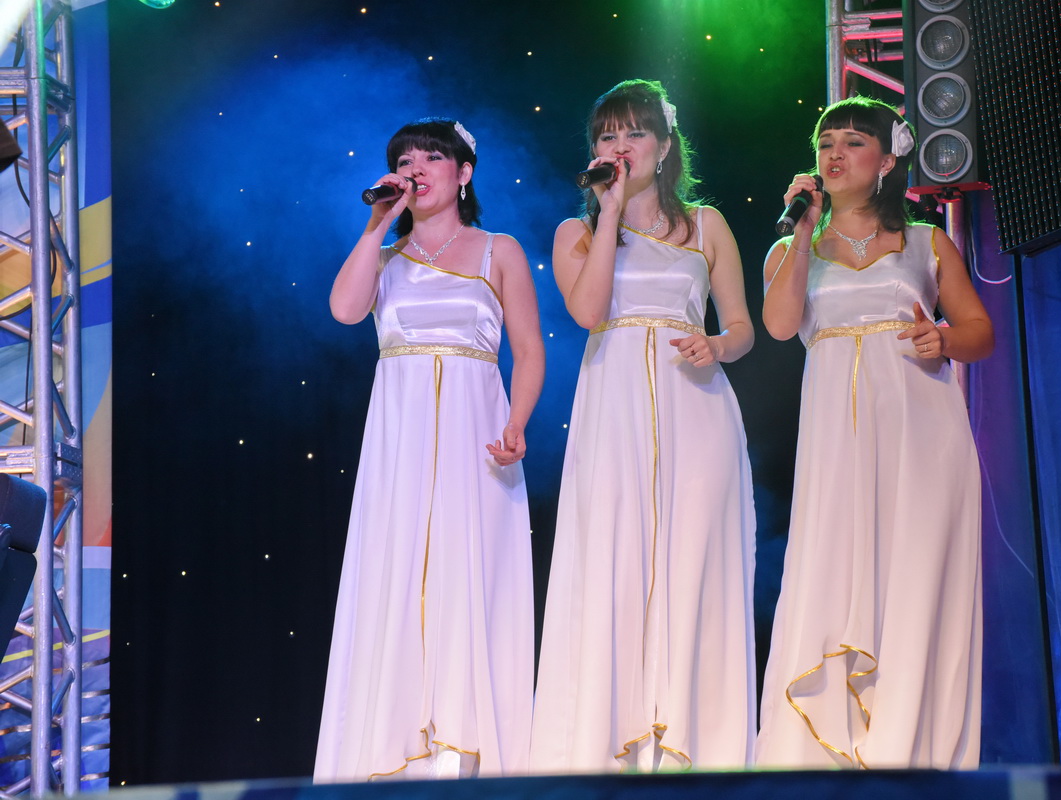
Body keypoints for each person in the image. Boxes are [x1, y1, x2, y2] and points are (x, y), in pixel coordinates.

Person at [756, 96, 992, 769]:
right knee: (832, 567)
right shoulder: (792, 248)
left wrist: (942, 338)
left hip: (923, 433)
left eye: (853, 142)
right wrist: (803, 230)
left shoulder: (925, 241)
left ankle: (912, 749)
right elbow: (779, 325)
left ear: (887, 161)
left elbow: (980, 333)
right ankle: (825, 754)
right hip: (836, 438)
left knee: (915, 576)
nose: (834, 154)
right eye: (825, 142)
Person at [530, 79, 756, 772]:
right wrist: (608, 216)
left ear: (663, 146)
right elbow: (588, 312)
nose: (620, 146)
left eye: (634, 133)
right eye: (608, 135)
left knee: (693, 565)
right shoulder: (575, 232)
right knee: (616, 560)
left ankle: (696, 747)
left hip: (697, 405)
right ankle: (612, 747)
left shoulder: (707, 225)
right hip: (615, 404)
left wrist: (716, 345)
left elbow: (743, 328)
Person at [315, 118, 544, 781]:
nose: (416, 169)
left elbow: (529, 350)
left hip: (478, 441)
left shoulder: (499, 249)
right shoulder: (386, 259)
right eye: (405, 159)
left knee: (468, 581)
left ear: (463, 173)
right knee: (396, 576)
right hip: (401, 443)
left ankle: (465, 759)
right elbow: (344, 310)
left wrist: (518, 424)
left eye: (431, 158)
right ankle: (392, 756)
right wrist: (376, 225)